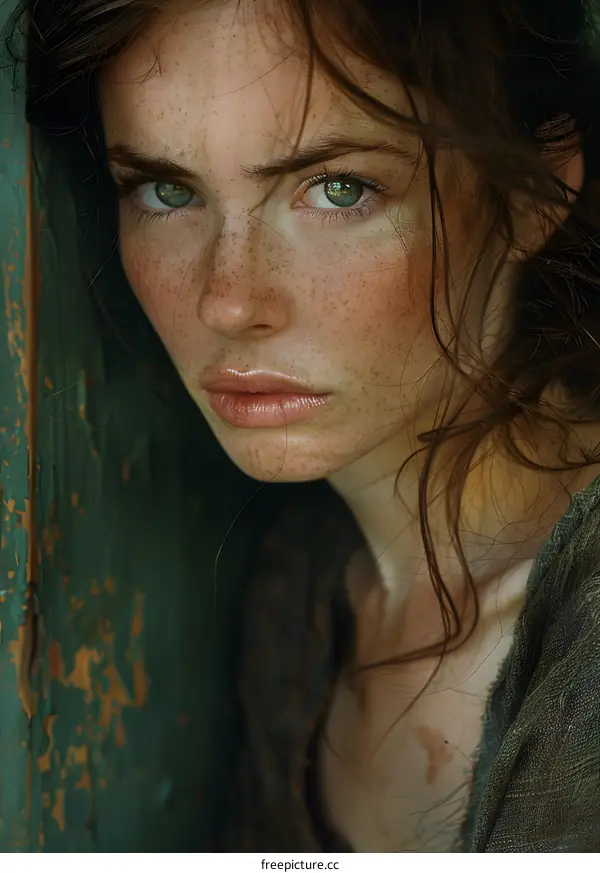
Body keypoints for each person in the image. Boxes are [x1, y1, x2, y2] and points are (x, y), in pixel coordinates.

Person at [15, 0, 600, 852]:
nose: (230, 298)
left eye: (337, 188)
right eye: (168, 190)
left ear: (532, 194)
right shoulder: (300, 598)